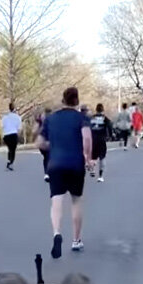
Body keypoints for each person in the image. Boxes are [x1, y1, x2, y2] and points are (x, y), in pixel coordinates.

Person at [37, 87, 91, 258]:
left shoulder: (51, 119)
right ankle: (76, 240)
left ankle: (56, 233)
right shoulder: (81, 118)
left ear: (63, 100)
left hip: (56, 164)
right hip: (75, 163)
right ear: (77, 101)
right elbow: (87, 138)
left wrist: (50, 147)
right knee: (76, 201)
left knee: (56, 201)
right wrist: (88, 157)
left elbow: (40, 142)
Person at [89, 103, 111, 182]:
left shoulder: (92, 118)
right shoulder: (105, 118)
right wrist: (110, 136)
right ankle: (100, 176)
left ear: (96, 110)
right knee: (102, 157)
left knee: (93, 157)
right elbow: (110, 127)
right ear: (103, 110)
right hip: (102, 140)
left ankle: (92, 169)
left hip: (93, 139)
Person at [1, 102, 21, 170]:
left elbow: (2, 126)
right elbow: (19, 128)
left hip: (6, 135)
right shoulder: (17, 117)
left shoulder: (5, 117)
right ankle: (11, 162)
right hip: (13, 134)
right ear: (14, 109)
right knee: (13, 149)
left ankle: (9, 161)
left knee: (10, 149)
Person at [37, 108, 52, 181]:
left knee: (47, 157)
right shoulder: (53, 120)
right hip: (49, 141)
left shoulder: (40, 120)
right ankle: (48, 173)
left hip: (43, 141)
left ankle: (47, 173)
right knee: (49, 157)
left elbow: (35, 131)